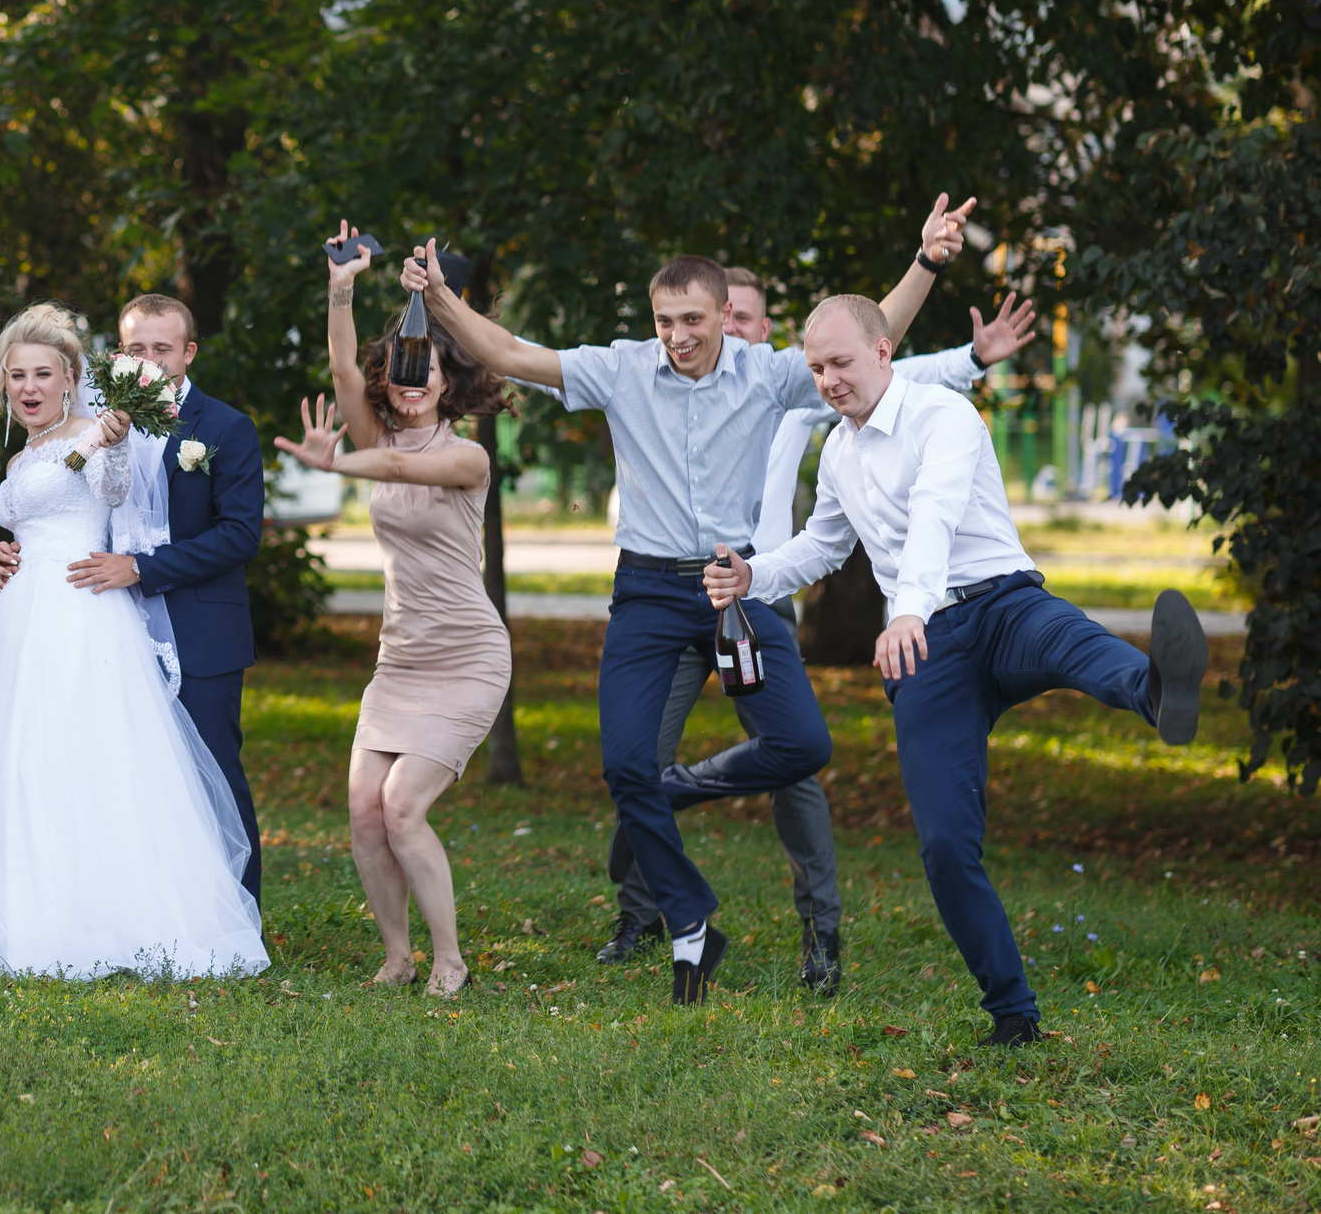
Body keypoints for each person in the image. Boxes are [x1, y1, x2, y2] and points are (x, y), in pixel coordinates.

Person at [396, 196, 969, 1001]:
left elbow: (878, 341)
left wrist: (928, 263)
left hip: (737, 587)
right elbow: (513, 353)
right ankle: (690, 920)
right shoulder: (624, 368)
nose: (678, 334)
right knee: (625, 763)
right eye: (666, 319)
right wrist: (442, 299)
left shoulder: (767, 374)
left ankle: (685, 790)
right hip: (649, 592)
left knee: (802, 746)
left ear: (721, 315)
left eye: (693, 318)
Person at [704, 294, 1209, 1045]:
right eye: (814, 368)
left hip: (1000, 603)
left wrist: (909, 605)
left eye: (839, 362)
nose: (827, 381)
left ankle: (1158, 690)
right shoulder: (838, 452)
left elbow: (936, 514)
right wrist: (756, 575)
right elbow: (822, 544)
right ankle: (1013, 1013)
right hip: (929, 655)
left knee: (1074, 642)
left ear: (882, 352)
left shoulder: (944, 417)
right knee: (944, 845)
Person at [594, 267, 1041, 992]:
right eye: (721, 314)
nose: (727, 327)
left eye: (743, 316)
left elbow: (888, 367)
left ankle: (820, 931)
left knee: (794, 760)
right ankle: (642, 915)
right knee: (640, 759)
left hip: (756, 601)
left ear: (763, 333)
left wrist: (974, 357)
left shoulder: (786, 392)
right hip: (674, 598)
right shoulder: (671, 386)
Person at [0, 305, 270, 979]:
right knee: (20, 762)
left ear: (72, 379)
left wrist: (114, 441)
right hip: (18, 621)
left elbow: (116, 490)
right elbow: (25, 516)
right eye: (17, 376)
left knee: (93, 762)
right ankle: (24, 909)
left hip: (81, 612)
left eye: (43, 373)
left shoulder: (99, 436)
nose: (29, 386)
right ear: (4, 384)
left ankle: (125, 913)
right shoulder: (22, 452)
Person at [269, 227, 515, 996]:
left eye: (427, 370)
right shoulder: (376, 426)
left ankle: (450, 959)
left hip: (469, 654)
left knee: (403, 807)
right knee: (363, 812)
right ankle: (397, 955)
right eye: (402, 369)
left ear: (449, 380)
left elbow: (402, 464)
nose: (412, 381)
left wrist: (336, 462)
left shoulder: (467, 454)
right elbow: (342, 366)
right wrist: (342, 284)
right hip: (400, 656)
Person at [0, 294, 269, 899]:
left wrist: (142, 568)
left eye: (162, 349)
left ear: (188, 352)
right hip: (100, 624)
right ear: (119, 354)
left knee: (211, 772)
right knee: (122, 771)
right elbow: (56, 504)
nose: (148, 359)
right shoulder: (97, 425)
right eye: (136, 348)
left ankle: (237, 911)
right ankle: (142, 901)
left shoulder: (224, 427)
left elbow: (240, 533)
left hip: (197, 627)